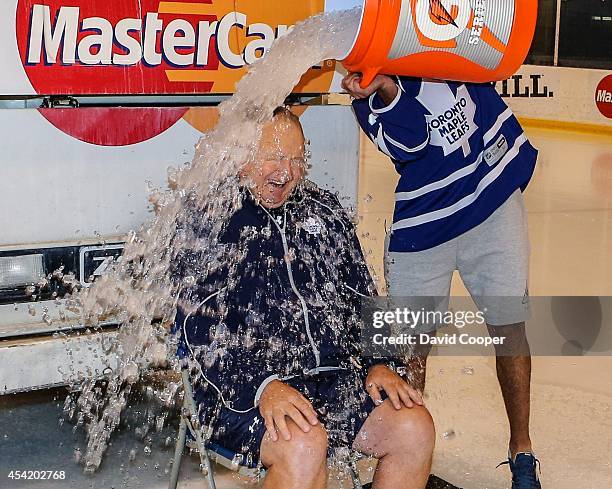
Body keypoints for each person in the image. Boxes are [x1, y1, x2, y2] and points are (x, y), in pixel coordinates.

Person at [173, 107, 435, 489]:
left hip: (329, 381)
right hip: (236, 390)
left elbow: (363, 296)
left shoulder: (323, 211)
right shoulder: (210, 217)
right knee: (303, 443)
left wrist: (380, 362)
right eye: (275, 157)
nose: (287, 172)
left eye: (297, 159)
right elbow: (194, 330)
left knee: (414, 425)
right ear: (242, 154)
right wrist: (262, 385)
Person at [342, 73, 541, 489]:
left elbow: (494, 50)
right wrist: (387, 88)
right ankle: (410, 452)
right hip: (425, 220)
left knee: (509, 327)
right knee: (409, 345)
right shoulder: (366, 90)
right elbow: (410, 144)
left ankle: (522, 452)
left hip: (492, 195)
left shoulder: (439, 18)